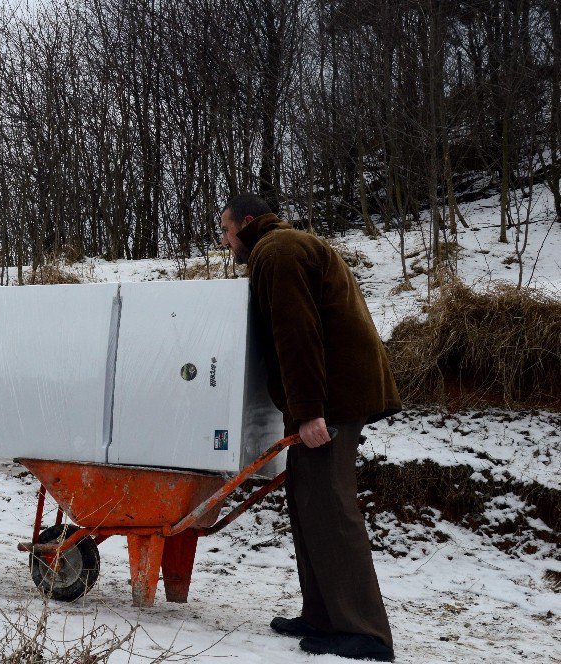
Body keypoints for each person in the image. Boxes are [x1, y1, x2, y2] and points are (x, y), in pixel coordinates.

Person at [220, 194, 401, 662]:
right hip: (328, 395)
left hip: (331, 400)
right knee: (307, 503)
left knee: (330, 507)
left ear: (248, 222)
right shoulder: (284, 247)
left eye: (226, 231)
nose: (225, 242)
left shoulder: (276, 252)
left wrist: (309, 412)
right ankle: (322, 614)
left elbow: (296, 334)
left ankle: (365, 632)